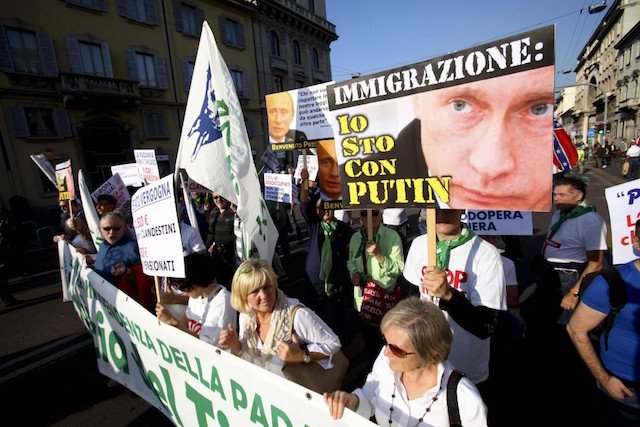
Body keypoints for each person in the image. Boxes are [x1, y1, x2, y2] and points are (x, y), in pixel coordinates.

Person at [403, 208, 506, 414]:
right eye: (437, 209)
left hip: (464, 365)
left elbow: (486, 327)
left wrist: (448, 295)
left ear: (462, 209)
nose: (443, 214)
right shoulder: (419, 244)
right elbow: (412, 300)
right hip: (426, 361)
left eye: (450, 208)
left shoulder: (486, 253)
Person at [323, 297, 487, 426]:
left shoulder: (464, 400)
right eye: (385, 342)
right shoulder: (387, 362)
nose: (386, 352)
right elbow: (370, 396)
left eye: (396, 349)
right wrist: (352, 401)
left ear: (430, 351)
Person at [567, 219, 640, 426]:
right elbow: (575, 330)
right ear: (636, 242)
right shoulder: (613, 282)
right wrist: (605, 380)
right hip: (627, 389)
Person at [218, 259, 342, 380]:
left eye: (267, 287)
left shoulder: (296, 315)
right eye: (255, 291)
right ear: (244, 297)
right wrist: (235, 345)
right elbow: (250, 359)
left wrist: (303, 356)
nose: (264, 295)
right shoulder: (246, 316)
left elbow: (333, 343)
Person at [542, 176, 607, 326]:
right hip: (550, 272)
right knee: (548, 317)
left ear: (579, 196)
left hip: (569, 276)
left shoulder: (591, 221)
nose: (556, 199)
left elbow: (596, 263)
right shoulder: (561, 213)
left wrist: (573, 293)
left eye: (562, 195)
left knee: (566, 323)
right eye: (555, 195)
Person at [299, 167, 355, 340]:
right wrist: (305, 182)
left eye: (329, 207)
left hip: (337, 280)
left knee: (339, 315)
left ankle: (341, 341)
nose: (326, 211)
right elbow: (304, 203)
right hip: (315, 279)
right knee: (317, 314)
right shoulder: (314, 225)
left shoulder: (343, 228)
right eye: (322, 208)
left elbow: (352, 247)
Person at [348, 209, 405, 368]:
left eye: (373, 213)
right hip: (363, 300)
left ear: (380, 215)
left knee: (389, 344)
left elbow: (398, 269)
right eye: (364, 214)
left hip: (385, 301)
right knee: (369, 343)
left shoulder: (392, 237)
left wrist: (379, 255)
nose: (369, 218)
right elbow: (351, 261)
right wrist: (354, 273)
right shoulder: (355, 238)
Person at [156, 253, 236, 347]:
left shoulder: (223, 301)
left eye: (185, 288)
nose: (184, 293)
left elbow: (207, 345)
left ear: (197, 282)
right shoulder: (197, 296)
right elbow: (186, 320)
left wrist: (173, 322)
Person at [91, 211, 155, 312]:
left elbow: (145, 280)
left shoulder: (132, 248)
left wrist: (128, 271)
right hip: (102, 301)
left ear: (124, 228)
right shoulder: (103, 245)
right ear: (100, 229)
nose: (111, 233)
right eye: (107, 229)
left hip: (121, 307)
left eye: (116, 228)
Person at [205, 194, 235, 288]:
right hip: (218, 257)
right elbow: (211, 234)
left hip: (233, 257)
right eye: (215, 197)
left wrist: (237, 213)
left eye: (222, 196)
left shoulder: (233, 211)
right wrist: (205, 249)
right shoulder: (214, 212)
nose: (219, 200)